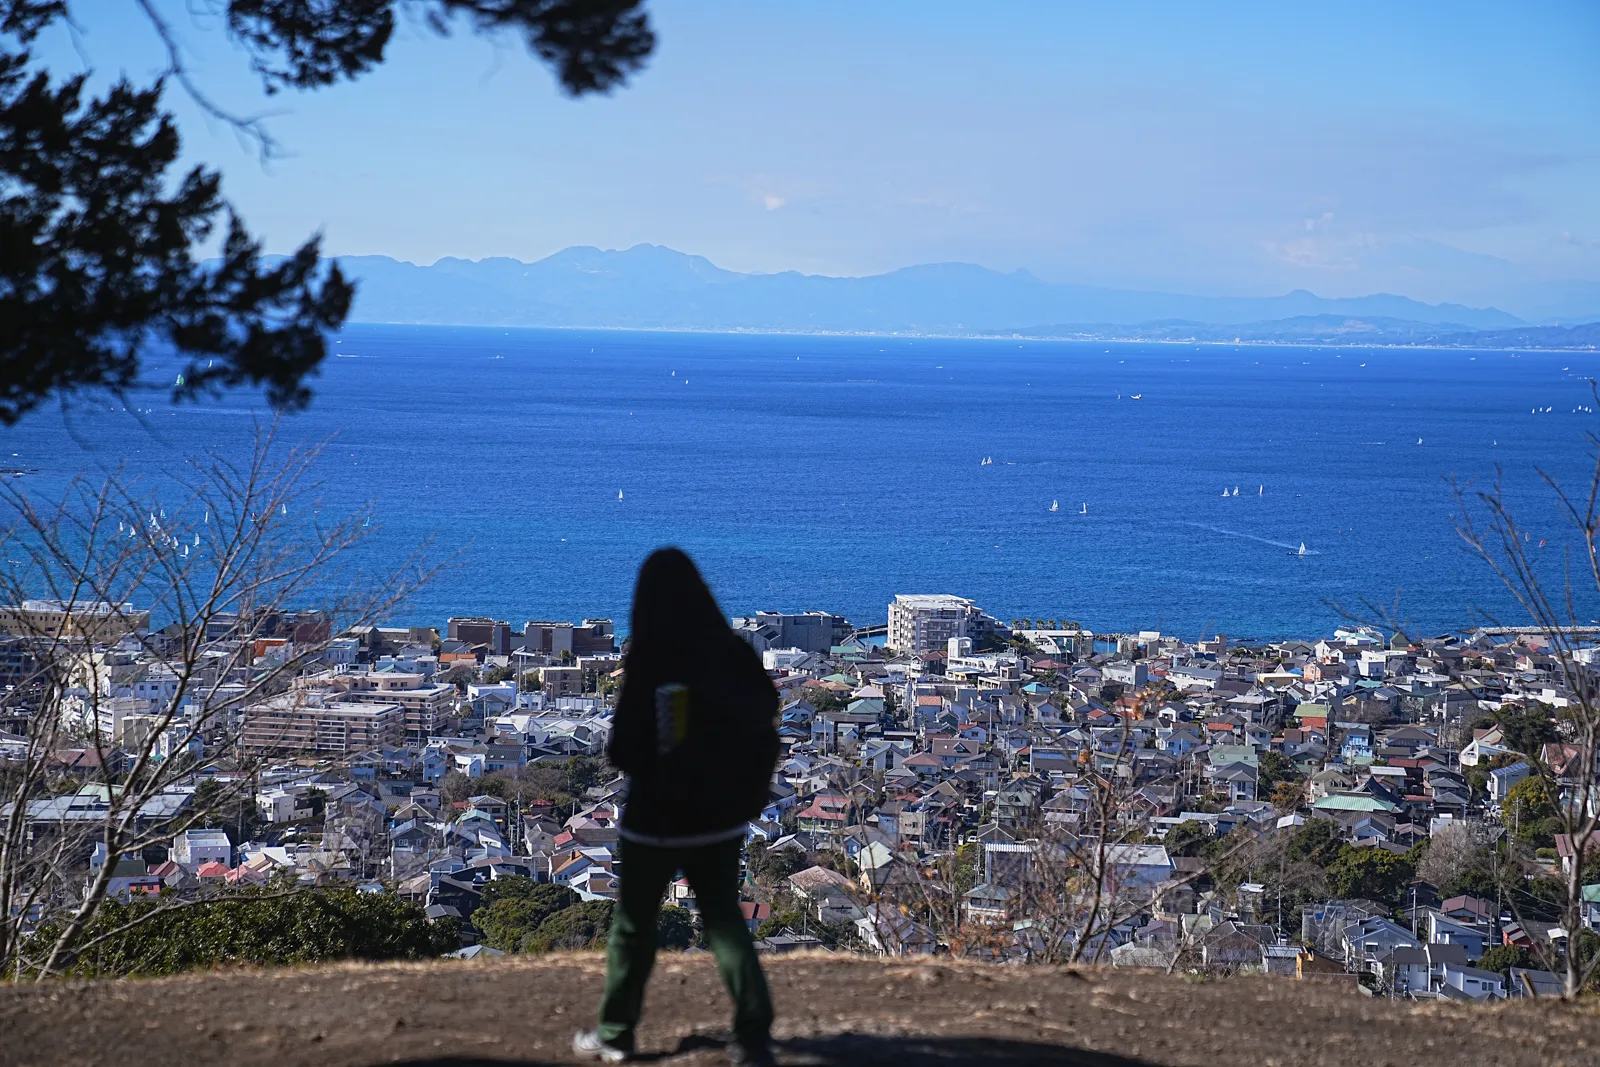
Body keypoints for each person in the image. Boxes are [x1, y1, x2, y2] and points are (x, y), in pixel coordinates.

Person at [574, 548, 781, 1066]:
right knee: (725, 922)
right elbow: (766, 714)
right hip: (720, 817)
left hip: (655, 817)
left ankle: (616, 1034)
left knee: (633, 926)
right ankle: (754, 1037)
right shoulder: (733, 653)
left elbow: (623, 748)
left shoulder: (652, 658)